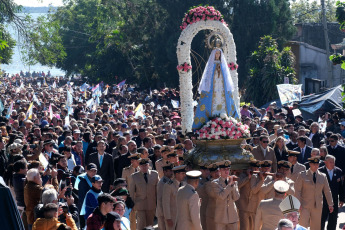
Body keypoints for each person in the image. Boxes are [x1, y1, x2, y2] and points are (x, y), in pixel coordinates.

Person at [192, 45, 239, 130]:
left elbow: (226, 78)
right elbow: (207, 78)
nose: (217, 55)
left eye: (219, 54)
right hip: (212, 90)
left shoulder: (223, 65)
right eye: (216, 54)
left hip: (222, 89)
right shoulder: (210, 65)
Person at [294, 156, 334, 230]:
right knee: (303, 225)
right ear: (310, 164)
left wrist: (330, 204)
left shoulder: (323, 176)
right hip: (304, 205)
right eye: (314, 164)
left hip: (317, 205)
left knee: (316, 227)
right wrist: (297, 203)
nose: (316, 166)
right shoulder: (302, 175)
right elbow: (297, 190)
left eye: (317, 164)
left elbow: (327, 191)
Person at [128, 158, 158, 230]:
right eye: (142, 165)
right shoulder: (134, 176)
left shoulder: (155, 174)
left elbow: (158, 190)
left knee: (150, 225)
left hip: (151, 204)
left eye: (146, 165)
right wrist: (131, 205)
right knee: (140, 224)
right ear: (139, 166)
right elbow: (131, 192)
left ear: (148, 165)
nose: (144, 167)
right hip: (140, 204)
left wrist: (158, 203)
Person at [210, 160, 240, 230]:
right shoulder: (215, 183)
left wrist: (233, 185)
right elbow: (221, 196)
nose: (227, 171)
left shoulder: (233, 181)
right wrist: (229, 185)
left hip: (232, 217)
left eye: (228, 169)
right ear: (219, 170)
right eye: (224, 169)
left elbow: (236, 197)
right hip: (221, 218)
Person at [319, 155, 344, 230]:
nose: (333, 164)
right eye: (330, 162)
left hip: (334, 200)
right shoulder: (320, 171)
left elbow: (341, 187)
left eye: (333, 162)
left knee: (333, 220)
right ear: (325, 162)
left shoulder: (338, 171)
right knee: (321, 219)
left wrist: (342, 199)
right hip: (323, 200)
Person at [237, 160, 260, 230]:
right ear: (249, 167)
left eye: (256, 168)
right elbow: (238, 185)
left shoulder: (258, 177)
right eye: (253, 168)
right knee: (244, 227)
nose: (255, 170)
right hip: (243, 205)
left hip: (253, 206)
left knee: (252, 227)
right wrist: (248, 177)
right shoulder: (243, 175)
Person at [162, 165, 186, 230]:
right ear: (176, 174)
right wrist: (168, 218)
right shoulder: (168, 185)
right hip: (173, 217)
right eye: (182, 173)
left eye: (184, 173)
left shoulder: (185, 184)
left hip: (183, 217)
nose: (184, 175)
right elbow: (165, 203)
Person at [74, 163, 97, 228]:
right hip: (84, 207)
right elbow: (82, 197)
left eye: (94, 171)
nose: (93, 173)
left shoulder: (97, 180)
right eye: (91, 171)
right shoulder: (83, 181)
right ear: (87, 171)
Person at [156, 161, 174, 230]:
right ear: (164, 172)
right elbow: (160, 199)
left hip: (168, 211)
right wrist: (163, 214)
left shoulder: (170, 181)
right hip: (162, 213)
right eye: (169, 171)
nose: (171, 172)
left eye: (172, 171)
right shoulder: (162, 183)